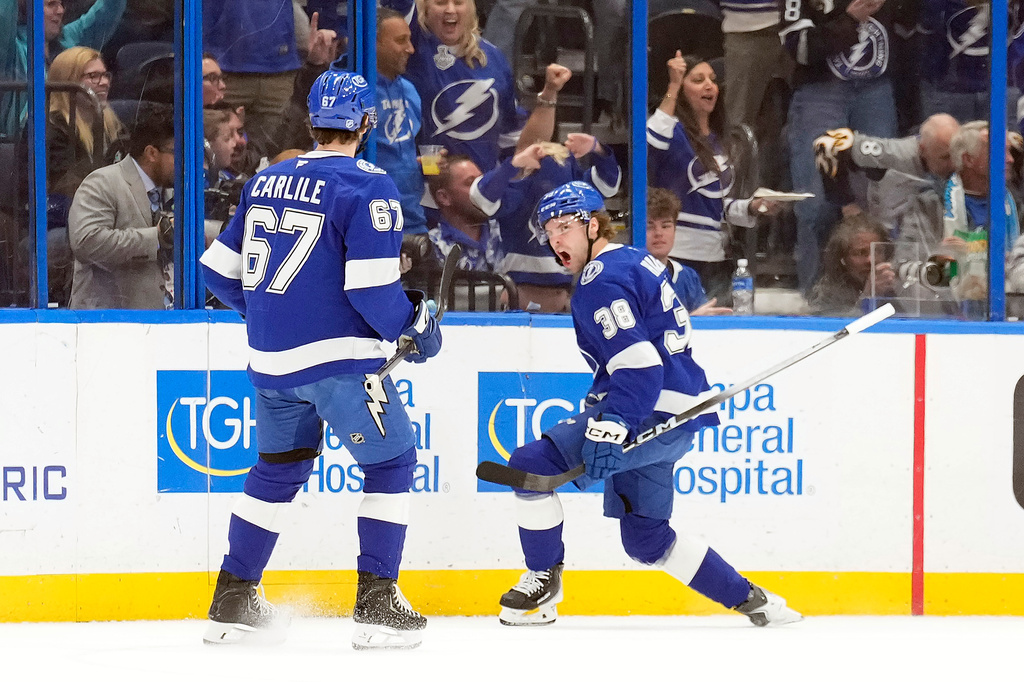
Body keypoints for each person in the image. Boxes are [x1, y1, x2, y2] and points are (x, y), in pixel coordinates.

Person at [198, 70, 441, 650]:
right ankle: (378, 602)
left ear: (311, 122)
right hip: (339, 365)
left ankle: (233, 598)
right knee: (392, 463)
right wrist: (417, 328)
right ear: (366, 123)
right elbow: (371, 293)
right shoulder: (369, 184)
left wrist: (268, 315)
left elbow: (214, 271)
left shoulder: (267, 178)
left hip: (271, 366)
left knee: (278, 471)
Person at [495, 180, 802, 628]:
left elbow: (639, 364)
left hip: (647, 410)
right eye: (549, 232)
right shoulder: (636, 258)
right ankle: (756, 601)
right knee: (647, 539)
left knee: (531, 465)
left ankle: (543, 584)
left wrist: (613, 421)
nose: (556, 239)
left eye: (564, 225)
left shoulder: (600, 279)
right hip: (676, 417)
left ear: (594, 224)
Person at [780, 0, 914, 293]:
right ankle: (817, 299)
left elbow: (912, 32)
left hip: (877, 89)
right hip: (821, 90)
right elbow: (801, 49)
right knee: (815, 204)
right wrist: (850, 19)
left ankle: (879, 296)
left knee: (879, 204)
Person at [648, 51, 778, 305]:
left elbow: (721, 206)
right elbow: (649, 141)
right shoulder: (672, 131)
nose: (709, 85)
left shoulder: (721, 142)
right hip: (675, 256)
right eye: (698, 80)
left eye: (712, 79)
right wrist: (673, 85)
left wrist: (753, 206)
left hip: (715, 258)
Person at [381, 0, 562, 172]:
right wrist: (427, 167)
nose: (450, 9)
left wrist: (549, 93)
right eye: (441, 2)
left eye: (458, 2)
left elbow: (511, 139)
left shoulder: (493, 58)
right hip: (425, 191)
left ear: (470, 8)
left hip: (481, 191)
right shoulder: (414, 46)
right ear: (425, 10)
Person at [67, 102, 173, 309]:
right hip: (107, 323)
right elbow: (86, 242)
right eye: (178, 153)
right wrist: (157, 236)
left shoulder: (173, 189)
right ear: (151, 153)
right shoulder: (103, 182)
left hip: (162, 322)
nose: (187, 161)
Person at [1, 0, 127, 139]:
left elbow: (106, 12)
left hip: (74, 133)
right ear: (28, 10)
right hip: (28, 144)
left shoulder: (68, 39)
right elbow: (3, 15)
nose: (60, 10)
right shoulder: (11, 46)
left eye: (61, 4)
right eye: (51, 4)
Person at [376, 7, 428, 235]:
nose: (411, 48)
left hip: (413, 220)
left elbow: (403, 151)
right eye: (401, 41)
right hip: (373, 223)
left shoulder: (409, 90)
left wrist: (423, 164)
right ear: (373, 43)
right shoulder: (352, 92)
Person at [646, 187, 731, 315]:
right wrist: (690, 320)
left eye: (666, 226)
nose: (658, 233)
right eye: (649, 226)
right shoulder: (628, 278)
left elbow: (702, 316)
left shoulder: (688, 277)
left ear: (675, 230)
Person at [807, 213, 895, 317]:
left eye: (877, 251)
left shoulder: (895, 288)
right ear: (842, 259)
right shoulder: (826, 294)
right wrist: (868, 296)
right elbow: (840, 329)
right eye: (861, 253)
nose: (871, 260)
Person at [427, 154, 504, 271]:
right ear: (444, 197)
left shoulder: (505, 231)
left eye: (482, 181)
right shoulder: (432, 248)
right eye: (470, 183)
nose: (481, 190)